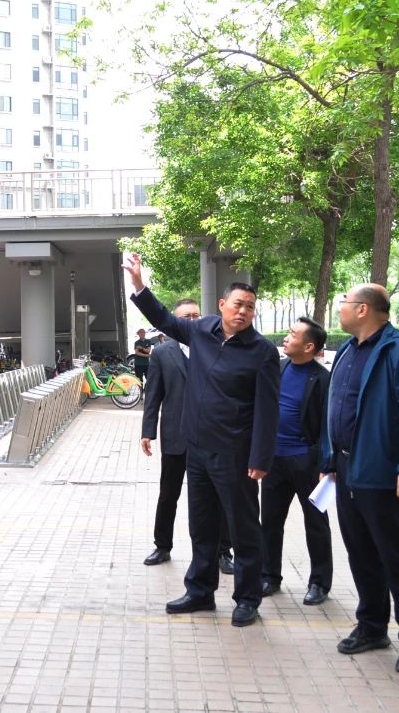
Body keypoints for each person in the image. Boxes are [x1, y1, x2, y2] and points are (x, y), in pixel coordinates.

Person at [122, 253, 279, 628]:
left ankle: (247, 598)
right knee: (202, 525)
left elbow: (268, 410)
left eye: (250, 307)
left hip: (235, 455)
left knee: (242, 529)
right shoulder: (202, 331)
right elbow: (164, 319)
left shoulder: (262, 352)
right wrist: (140, 286)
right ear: (222, 305)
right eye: (237, 304)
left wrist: (261, 458)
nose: (243, 311)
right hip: (198, 450)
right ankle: (200, 591)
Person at [320, 284, 399, 675]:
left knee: (398, 558)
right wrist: (329, 460)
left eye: (344, 303)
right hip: (347, 470)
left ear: (363, 309)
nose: (340, 308)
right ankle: (372, 626)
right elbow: (335, 409)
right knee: (361, 554)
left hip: (384, 474)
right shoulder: (348, 350)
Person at [141, 298, 233, 573]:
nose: (192, 321)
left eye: (196, 315)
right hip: (176, 436)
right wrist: (147, 431)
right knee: (168, 494)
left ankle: (223, 551)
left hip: (211, 437)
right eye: (186, 317)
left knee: (218, 496)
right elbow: (153, 395)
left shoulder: (216, 348)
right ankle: (162, 545)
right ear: (174, 321)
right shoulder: (161, 353)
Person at [260, 317, 333, 605]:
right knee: (270, 521)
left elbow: (328, 425)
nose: (286, 338)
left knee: (316, 523)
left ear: (309, 346)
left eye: (293, 334)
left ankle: (319, 583)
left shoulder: (323, 378)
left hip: (307, 462)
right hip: (273, 461)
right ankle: (269, 576)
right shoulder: (277, 367)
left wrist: (327, 465)